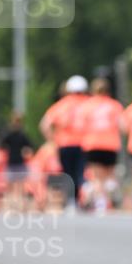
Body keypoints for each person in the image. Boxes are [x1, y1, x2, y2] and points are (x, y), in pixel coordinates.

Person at [39, 75, 89, 204]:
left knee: (68, 173)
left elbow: (44, 125)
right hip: (85, 144)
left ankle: (72, 201)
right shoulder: (89, 103)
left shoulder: (61, 105)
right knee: (82, 173)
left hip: (64, 145)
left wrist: (53, 141)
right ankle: (82, 197)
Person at [79, 78, 124, 212]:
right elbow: (122, 126)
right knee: (109, 175)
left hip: (93, 144)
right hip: (110, 144)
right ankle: (109, 198)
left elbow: (81, 125)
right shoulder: (114, 105)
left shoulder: (87, 105)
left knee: (97, 176)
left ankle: (100, 202)